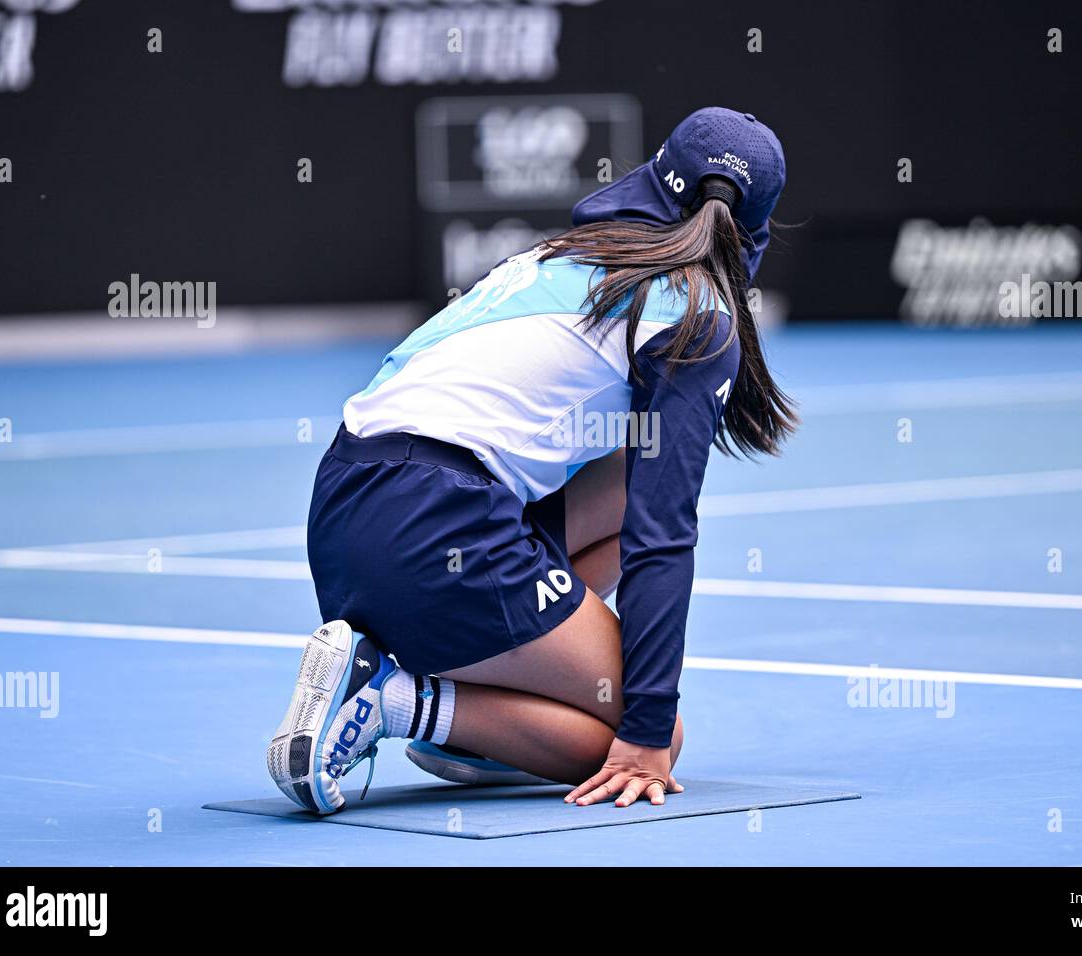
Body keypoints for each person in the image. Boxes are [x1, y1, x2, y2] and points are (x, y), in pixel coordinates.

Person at [267, 108, 795, 813]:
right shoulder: (695, 315)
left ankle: (477, 716)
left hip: (344, 509)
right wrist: (641, 730)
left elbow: (633, 510)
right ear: (753, 230)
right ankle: (397, 701)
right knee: (649, 738)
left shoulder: (561, 253)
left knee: (620, 478)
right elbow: (662, 537)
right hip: (436, 529)